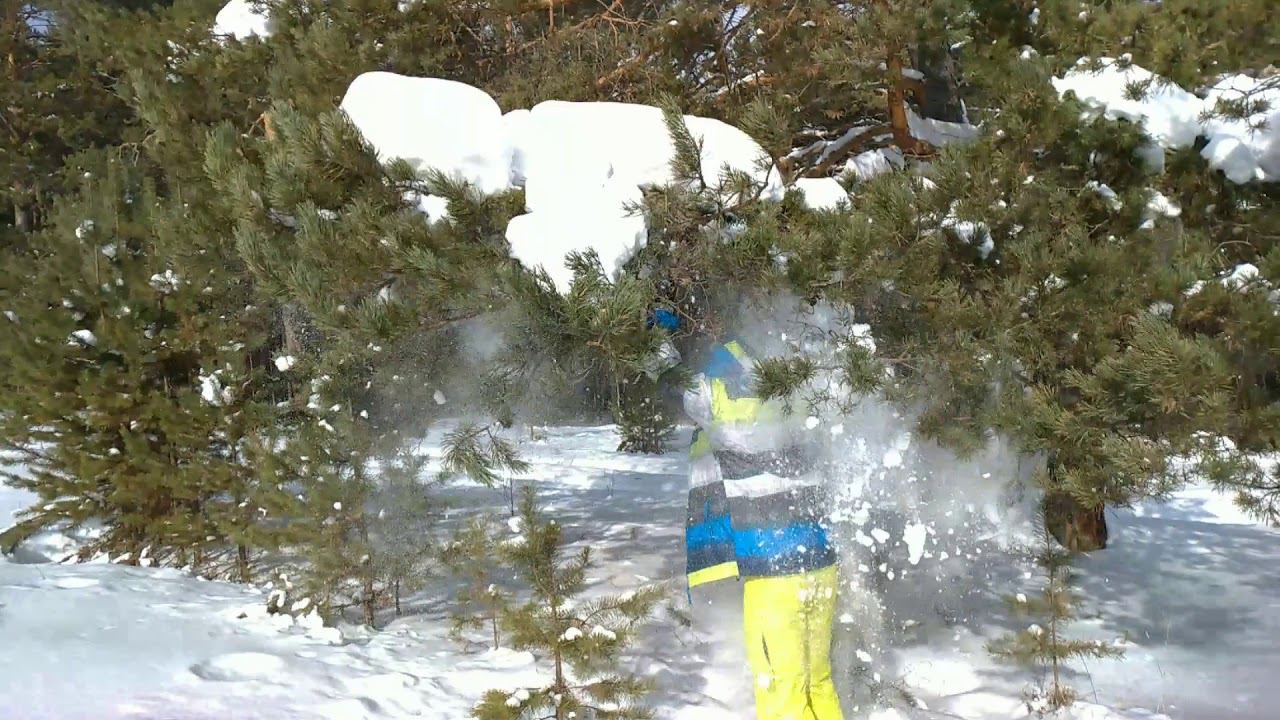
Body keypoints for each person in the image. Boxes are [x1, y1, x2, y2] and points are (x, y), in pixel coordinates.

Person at [668, 319, 843, 720]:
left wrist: (652, 336)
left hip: (773, 568)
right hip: (820, 559)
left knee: (781, 690)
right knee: (816, 681)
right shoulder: (799, 375)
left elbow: (673, 382)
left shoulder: (725, 382)